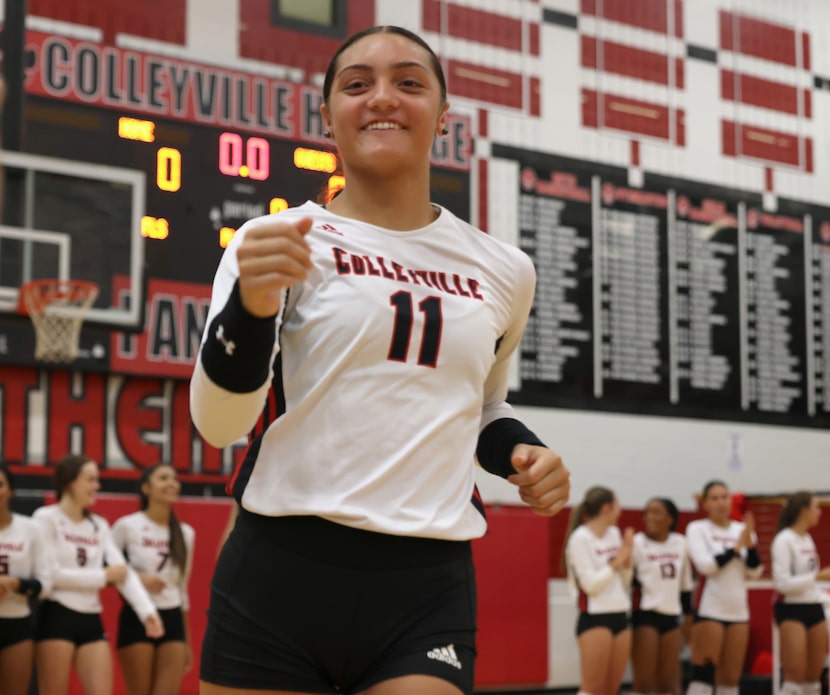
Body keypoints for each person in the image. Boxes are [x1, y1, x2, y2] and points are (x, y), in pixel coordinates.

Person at [190, 24, 570, 695]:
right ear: (329, 116)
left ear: (443, 117)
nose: (382, 97)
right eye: (357, 84)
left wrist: (523, 452)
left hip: (427, 585)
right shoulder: (276, 241)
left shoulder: (506, 270)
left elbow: (483, 406)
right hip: (280, 567)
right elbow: (220, 425)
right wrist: (252, 304)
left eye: (409, 82)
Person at [33, 454, 164, 695]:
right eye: (91, 480)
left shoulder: (98, 524)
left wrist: (147, 612)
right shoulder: (45, 518)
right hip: (56, 615)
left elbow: (122, 571)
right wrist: (103, 577)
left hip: (91, 618)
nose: (97, 486)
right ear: (70, 483)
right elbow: (51, 576)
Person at [112, 463, 196, 695]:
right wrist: (139, 578)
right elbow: (107, 571)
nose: (172, 483)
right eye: (163, 478)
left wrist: (187, 641)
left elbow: (183, 588)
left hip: (173, 619)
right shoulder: (127, 526)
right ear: (146, 488)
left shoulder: (186, 533)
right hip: (138, 617)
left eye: (175, 479)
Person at [685, 481, 762, 695]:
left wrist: (750, 545)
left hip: (738, 611)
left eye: (724, 497)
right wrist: (738, 547)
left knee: (730, 680)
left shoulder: (742, 530)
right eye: (714, 498)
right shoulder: (697, 528)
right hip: (709, 609)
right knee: (704, 678)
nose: (720, 502)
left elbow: (754, 571)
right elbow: (707, 566)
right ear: (705, 503)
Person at [564, 486, 634, 695]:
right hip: (595, 618)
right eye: (617, 506)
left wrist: (628, 562)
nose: (620, 512)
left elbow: (625, 582)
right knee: (591, 689)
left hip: (621, 616)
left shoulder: (614, 533)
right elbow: (590, 586)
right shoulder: (580, 538)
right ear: (606, 508)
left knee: (611, 689)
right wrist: (616, 563)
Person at [630, 497, 694, 695]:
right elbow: (628, 582)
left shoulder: (681, 542)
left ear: (670, 519)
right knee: (644, 684)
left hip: (673, 617)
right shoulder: (637, 543)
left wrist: (688, 617)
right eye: (646, 512)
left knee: (668, 685)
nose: (649, 517)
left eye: (656, 512)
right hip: (645, 615)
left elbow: (685, 584)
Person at [770, 492, 830, 695]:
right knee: (794, 680)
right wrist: (817, 577)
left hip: (814, 607)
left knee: (813, 680)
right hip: (791, 609)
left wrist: (818, 582)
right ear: (803, 511)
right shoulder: (783, 540)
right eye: (816, 507)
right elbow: (782, 583)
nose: (819, 512)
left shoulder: (808, 539)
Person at [0, 463, 51, 695]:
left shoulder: (31, 529)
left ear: (10, 489)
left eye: (0, 484)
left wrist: (16, 584)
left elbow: (46, 585)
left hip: (17, 623)